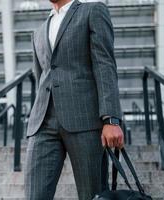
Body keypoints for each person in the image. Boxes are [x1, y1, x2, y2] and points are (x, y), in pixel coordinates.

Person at [24, 0, 124, 199]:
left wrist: (111, 119)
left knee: (92, 195)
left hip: (85, 120)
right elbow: (41, 77)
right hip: (43, 123)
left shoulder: (92, 11)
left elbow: (104, 65)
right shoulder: (39, 30)